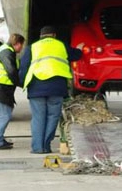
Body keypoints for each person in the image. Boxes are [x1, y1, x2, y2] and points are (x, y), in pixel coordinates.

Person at [19, 26, 82, 154]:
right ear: (53, 35)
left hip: (36, 87)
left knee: (38, 117)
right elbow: (76, 55)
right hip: (56, 87)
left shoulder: (32, 47)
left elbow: (23, 69)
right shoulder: (61, 45)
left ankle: (37, 148)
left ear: (41, 36)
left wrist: (23, 84)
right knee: (53, 117)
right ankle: (46, 146)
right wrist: (80, 49)